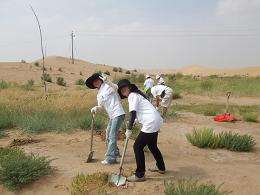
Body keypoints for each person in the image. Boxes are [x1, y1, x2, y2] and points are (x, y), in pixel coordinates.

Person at [117, 79, 166, 182]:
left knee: (137, 147)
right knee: (152, 146)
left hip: (150, 123)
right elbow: (140, 112)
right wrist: (134, 121)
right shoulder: (137, 95)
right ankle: (161, 167)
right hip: (156, 120)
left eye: (124, 88)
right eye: (121, 90)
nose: (123, 90)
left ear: (129, 87)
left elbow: (133, 113)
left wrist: (129, 128)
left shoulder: (132, 96)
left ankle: (140, 175)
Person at [85, 73, 125, 165]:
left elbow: (117, 88)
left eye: (97, 80)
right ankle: (115, 153)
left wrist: (108, 81)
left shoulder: (108, 85)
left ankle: (111, 158)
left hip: (118, 113)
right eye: (94, 82)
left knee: (112, 135)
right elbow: (101, 106)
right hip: (112, 116)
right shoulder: (98, 94)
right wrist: (96, 108)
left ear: (101, 79)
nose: (95, 82)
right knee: (107, 135)